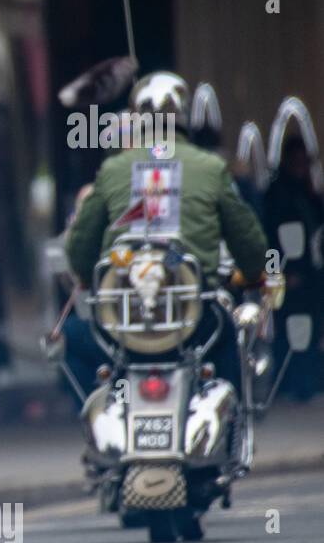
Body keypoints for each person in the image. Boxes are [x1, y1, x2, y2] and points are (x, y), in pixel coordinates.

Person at [64, 71, 268, 385]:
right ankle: (233, 431)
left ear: (137, 118)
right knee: (232, 345)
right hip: (197, 322)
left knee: (69, 337)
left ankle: (105, 404)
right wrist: (254, 274)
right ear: (184, 116)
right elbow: (250, 247)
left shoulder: (113, 169)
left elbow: (79, 256)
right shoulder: (211, 168)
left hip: (123, 326)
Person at [261, 135, 323, 399]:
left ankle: (305, 379)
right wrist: (278, 271)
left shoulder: (303, 192)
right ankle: (293, 381)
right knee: (291, 328)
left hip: (308, 272)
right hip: (292, 271)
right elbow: (271, 236)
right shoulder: (280, 194)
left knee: (307, 328)